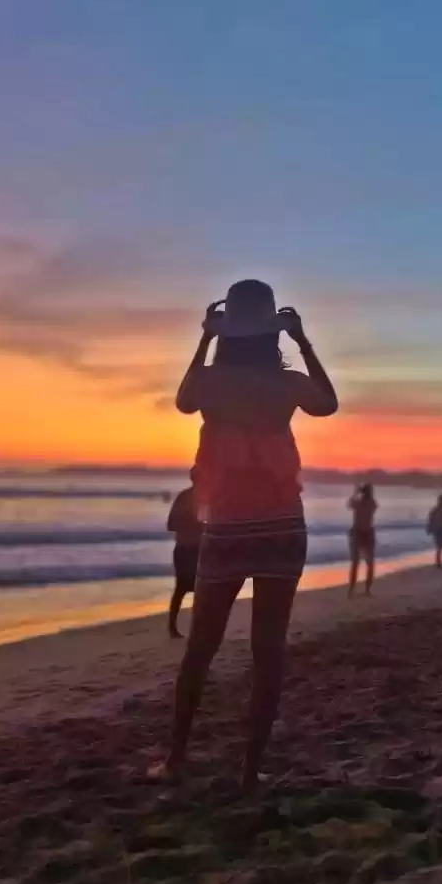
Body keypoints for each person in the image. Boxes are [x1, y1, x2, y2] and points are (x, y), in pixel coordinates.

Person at [153, 279, 338, 790]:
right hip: (282, 522)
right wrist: (302, 340)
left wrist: (203, 340)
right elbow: (329, 404)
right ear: (270, 331)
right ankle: (251, 770)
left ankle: (175, 758)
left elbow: (183, 402)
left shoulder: (212, 380)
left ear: (228, 328)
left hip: (230, 524)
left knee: (202, 647)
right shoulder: (287, 383)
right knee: (268, 650)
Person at [166, 484, 202, 639]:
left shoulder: (209, 497)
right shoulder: (184, 497)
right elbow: (171, 524)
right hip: (184, 549)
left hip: (201, 548)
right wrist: (197, 524)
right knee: (181, 587)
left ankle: (198, 628)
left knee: (201, 588)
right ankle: (172, 626)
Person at [348, 483, 377, 596]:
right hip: (361, 533)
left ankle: (360, 589)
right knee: (360, 563)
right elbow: (350, 504)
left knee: (360, 563)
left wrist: (356, 493)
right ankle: (358, 589)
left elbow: (350, 503)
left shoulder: (366, 503)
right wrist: (357, 493)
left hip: (363, 533)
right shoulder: (370, 503)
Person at [426, 493, 442, 568]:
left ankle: (439, 561)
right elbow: (431, 519)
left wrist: (430, 528)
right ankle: (438, 562)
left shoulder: (438, 509)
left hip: (439, 529)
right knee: (439, 546)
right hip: (440, 529)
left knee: (440, 546)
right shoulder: (439, 509)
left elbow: (431, 518)